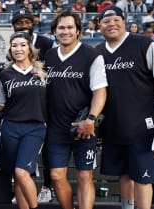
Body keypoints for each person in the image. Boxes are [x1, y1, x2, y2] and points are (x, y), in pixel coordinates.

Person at [96, 6, 154, 209]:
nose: (112, 24)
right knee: (124, 173)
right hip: (113, 124)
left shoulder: (144, 44)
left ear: (124, 22)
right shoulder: (97, 51)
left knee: (143, 176)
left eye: (116, 20)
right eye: (106, 21)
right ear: (99, 26)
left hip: (142, 123)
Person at [45, 11, 107, 209]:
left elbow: (100, 91)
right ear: (54, 31)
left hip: (84, 126)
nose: (65, 31)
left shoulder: (91, 54)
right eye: (61, 28)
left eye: (70, 27)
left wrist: (90, 119)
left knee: (84, 175)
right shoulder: (49, 56)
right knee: (56, 175)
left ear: (78, 30)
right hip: (56, 127)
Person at [0, 31, 47, 209]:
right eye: (14, 45)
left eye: (22, 45)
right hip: (10, 127)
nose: (18, 48)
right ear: (10, 49)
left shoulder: (41, 72)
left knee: (22, 171)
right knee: (17, 175)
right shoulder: (4, 74)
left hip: (35, 128)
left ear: (29, 48)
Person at [10, 8, 54, 203]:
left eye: (27, 21)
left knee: (47, 150)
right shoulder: (13, 46)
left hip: (44, 105)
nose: (24, 25)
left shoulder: (45, 42)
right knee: (19, 166)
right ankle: (22, 193)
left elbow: (52, 69)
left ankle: (47, 187)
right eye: (20, 22)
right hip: (21, 109)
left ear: (33, 22)